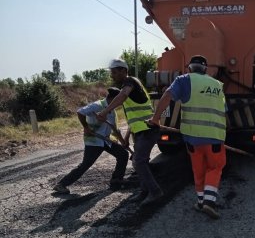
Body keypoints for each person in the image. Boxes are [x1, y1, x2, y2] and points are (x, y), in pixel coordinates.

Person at [148, 55, 226, 219]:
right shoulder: (217, 85)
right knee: (214, 167)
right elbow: (224, 110)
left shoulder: (184, 80)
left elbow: (167, 96)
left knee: (198, 169)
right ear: (205, 69)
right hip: (215, 137)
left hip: (192, 138)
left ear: (189, 68)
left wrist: (156, 118)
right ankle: (209, 202)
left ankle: (200, 202)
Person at [96, 59, 163, 206]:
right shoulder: (130, 86)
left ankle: (155, 192)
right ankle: (145, 191)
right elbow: (133, 118)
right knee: (141, 162)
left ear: (123, 71)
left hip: (148, 129)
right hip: (140, 131)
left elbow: (122, 96)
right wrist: (126, 137)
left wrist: (106, 111)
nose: (112, 75)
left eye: (114, 72)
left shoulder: (130, 82)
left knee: (138, 161)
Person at [53, 87, 129, 194]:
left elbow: (114, 128)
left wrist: (122, 141)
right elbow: (80, 112)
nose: (121, 102)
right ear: (113, 98)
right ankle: (61, 184)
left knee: (123, 154)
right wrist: (86, 127)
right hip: (94, 140)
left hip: (106, 140)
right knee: (86, 164)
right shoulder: (97, 105)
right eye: (120, 100)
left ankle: (117, 179)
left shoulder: (112, 110)